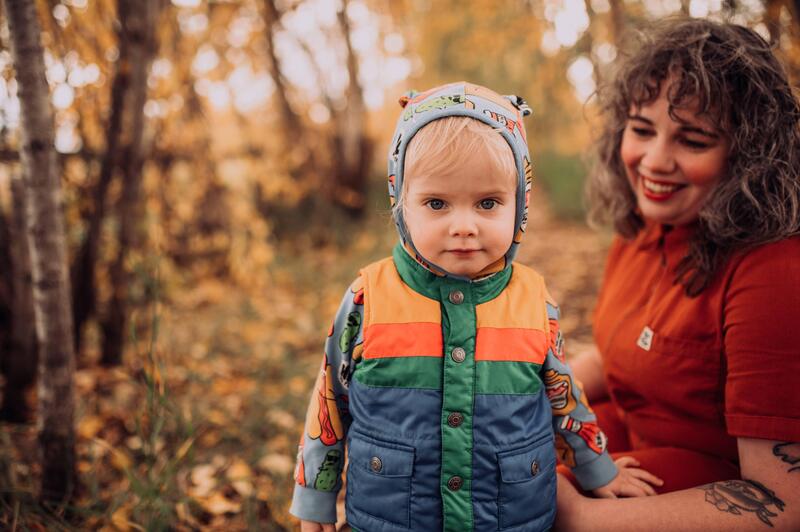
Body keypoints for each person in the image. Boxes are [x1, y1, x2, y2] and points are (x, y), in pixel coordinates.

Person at [288, 82, 660, 532]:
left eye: (487, 203)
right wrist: (314, 497)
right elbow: (330, 398)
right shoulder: (370, 296)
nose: (463, 226)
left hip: (512, 517)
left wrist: (598, 470)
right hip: (392, 518)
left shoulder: (532, 299)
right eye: (437, 203)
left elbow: (564, 396)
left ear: (519, 204)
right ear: (402, 203)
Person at [556, 18, 800, 530]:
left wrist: (574, 516)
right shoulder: (646, 228)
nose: (654, 161)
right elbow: (616, 349)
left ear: (747, 156)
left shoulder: (774, 272)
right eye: (642, 130)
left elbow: (785, 503)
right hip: (620, 451)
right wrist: (539, 392)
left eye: (693, 140)